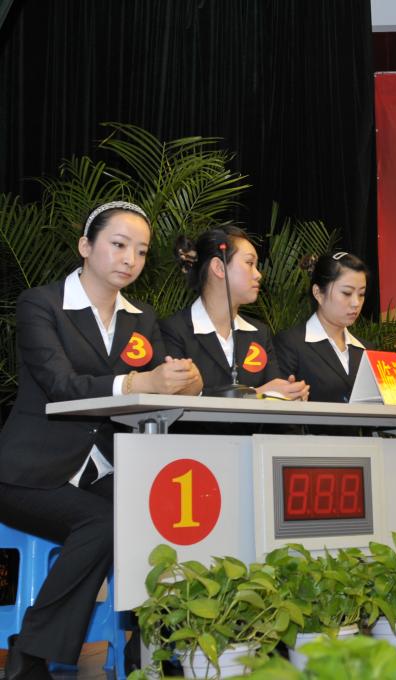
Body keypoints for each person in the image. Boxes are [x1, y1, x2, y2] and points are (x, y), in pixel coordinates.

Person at [0, 201, 202, 679]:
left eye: (142, 251)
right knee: (106, 522)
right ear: (85, 247)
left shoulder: (141, 317)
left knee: (165, 517)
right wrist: (135, 383)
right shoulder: (41, 304)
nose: (130, 259)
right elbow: (60, 384)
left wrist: (187, 383)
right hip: (27, 472)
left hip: (98, 470)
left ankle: (150, 648)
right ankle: (31, 653)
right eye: (118, 244)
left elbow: (157, 386)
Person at [160, 226, 308, 399]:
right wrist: (256, 394)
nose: (258, 275)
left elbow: (272, 394)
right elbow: (177, 398)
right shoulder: (174, 330)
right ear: (219, 267)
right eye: (249, 263)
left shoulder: (260, 334)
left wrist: (289, 394)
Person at [274, 252, 369, 403]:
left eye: (361, 294)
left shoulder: (367, 350)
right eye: (347, 293)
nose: (356, 303)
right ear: (318, 293)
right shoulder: (290, 344)